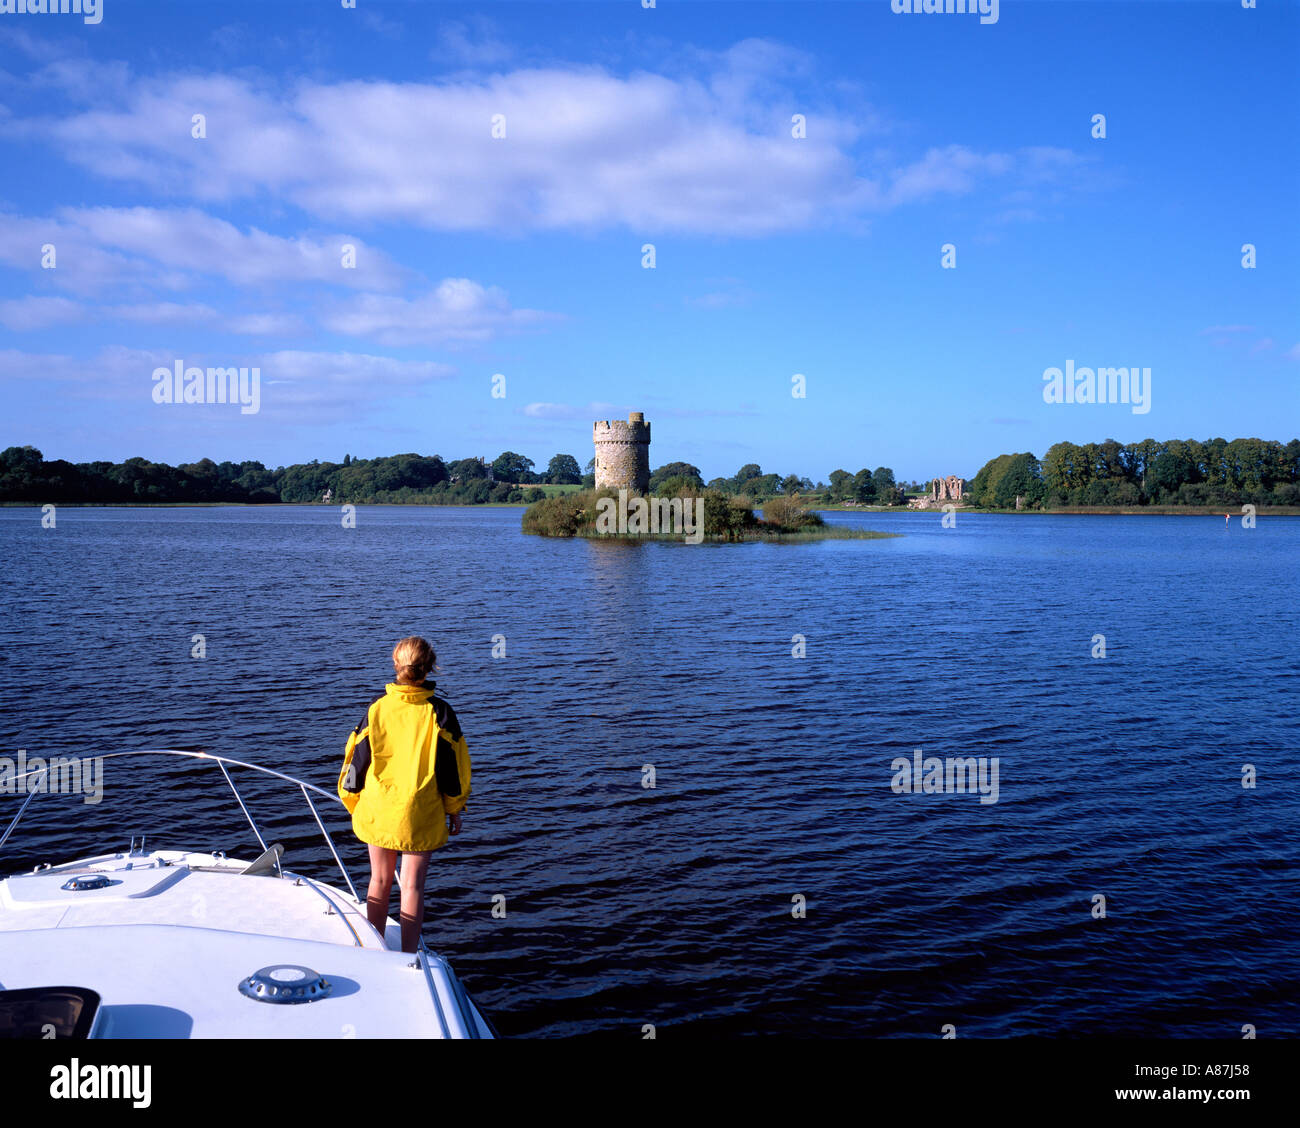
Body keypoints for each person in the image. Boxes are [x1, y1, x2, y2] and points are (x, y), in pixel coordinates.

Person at [336, 636, 471, 952]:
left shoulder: (378, 709)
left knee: (379, 882)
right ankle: (409, 956)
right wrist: (454, 807)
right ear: (430, 667)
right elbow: (453, 769)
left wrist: (352, 800)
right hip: (420, 812)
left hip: (380, 808)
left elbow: (357, 760)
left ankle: (375, 948)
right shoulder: (441, 713)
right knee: (411, 886)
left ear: (396, 666)